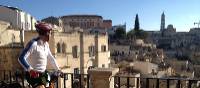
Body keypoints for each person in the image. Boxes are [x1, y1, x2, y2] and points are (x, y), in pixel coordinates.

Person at [18, 22, 61, 88]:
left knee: (50, 86)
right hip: (32, 75)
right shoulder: (33, 44)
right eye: (49, 33)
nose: (50, 35)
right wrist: (30, 70)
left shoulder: (46, 45)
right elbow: (21, 58)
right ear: (45, 34)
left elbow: (51, 58)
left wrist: (58, 70)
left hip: (43, 75)